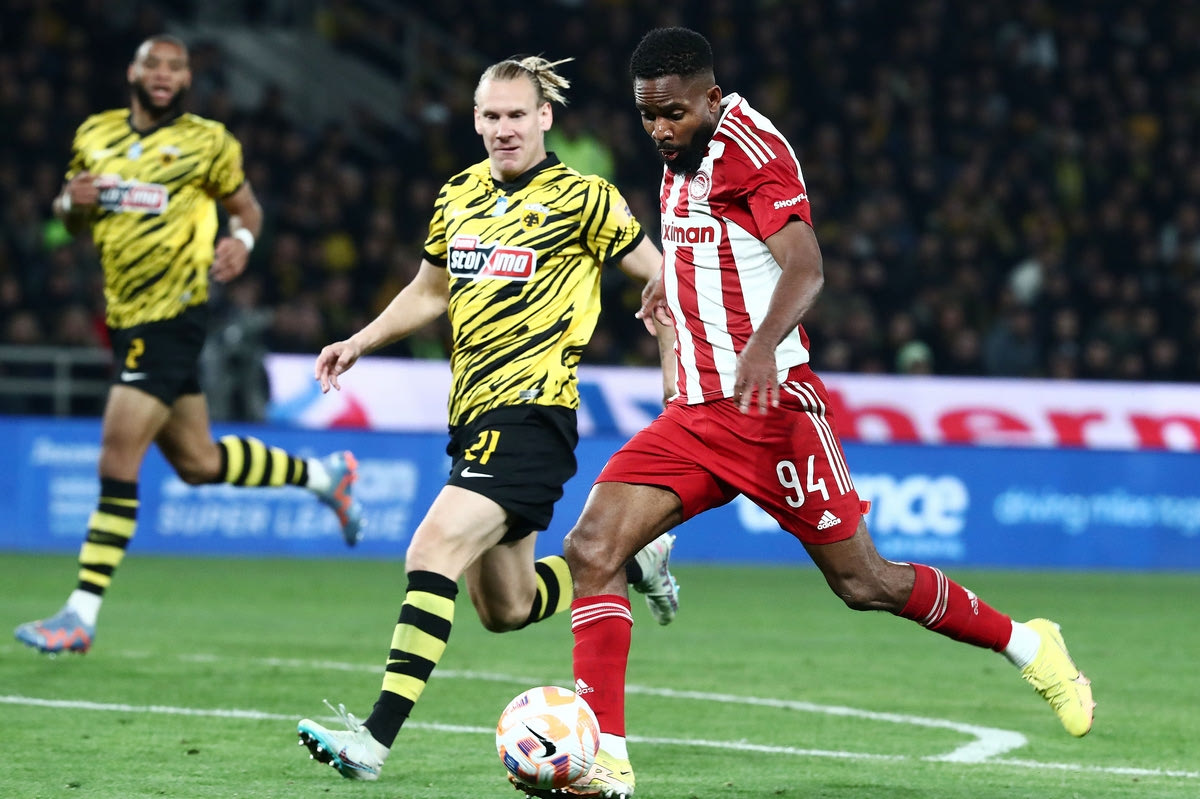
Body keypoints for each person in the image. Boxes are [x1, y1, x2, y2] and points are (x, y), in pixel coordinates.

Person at [516, 28, 1096, 799]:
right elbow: (712, 242)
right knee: (593, 547)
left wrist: (762, 346)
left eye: (673, 114)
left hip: (773, 410)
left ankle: (1030, 644)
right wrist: (671, 281)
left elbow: (805, 265)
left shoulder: (752, 151)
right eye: (647, 115)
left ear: (711, 99)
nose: (659, 129)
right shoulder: (680, 151)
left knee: (865, 581)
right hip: (696, 414)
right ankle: (607, 759)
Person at [295, 55, 681, 783]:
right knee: (506, 606)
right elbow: (428, 291)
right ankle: (635, 559)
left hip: (534, 413)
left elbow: (665, 275)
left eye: (517, 115)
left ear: (545, 117)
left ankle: (373, 740)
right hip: (472, 419)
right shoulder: (458, 194)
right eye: (492, 116)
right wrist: (359, 341)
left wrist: (669, 354)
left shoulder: (585, 199)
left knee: (431, 547)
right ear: (476, 120)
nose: (505, 128)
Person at [14, 35, 363, 656]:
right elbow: (68, 219)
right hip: (125, 319)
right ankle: (323, 477)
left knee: (117, 459)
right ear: (133, 71)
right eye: (154, 63)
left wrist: (242, 244)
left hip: (172, 316)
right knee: (198, 462)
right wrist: (70, 201)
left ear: (186, 80)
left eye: (176, 67)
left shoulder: (209, 142)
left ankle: (80, 614)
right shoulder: (95, 134)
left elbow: (248, 212)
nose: (164, 74)